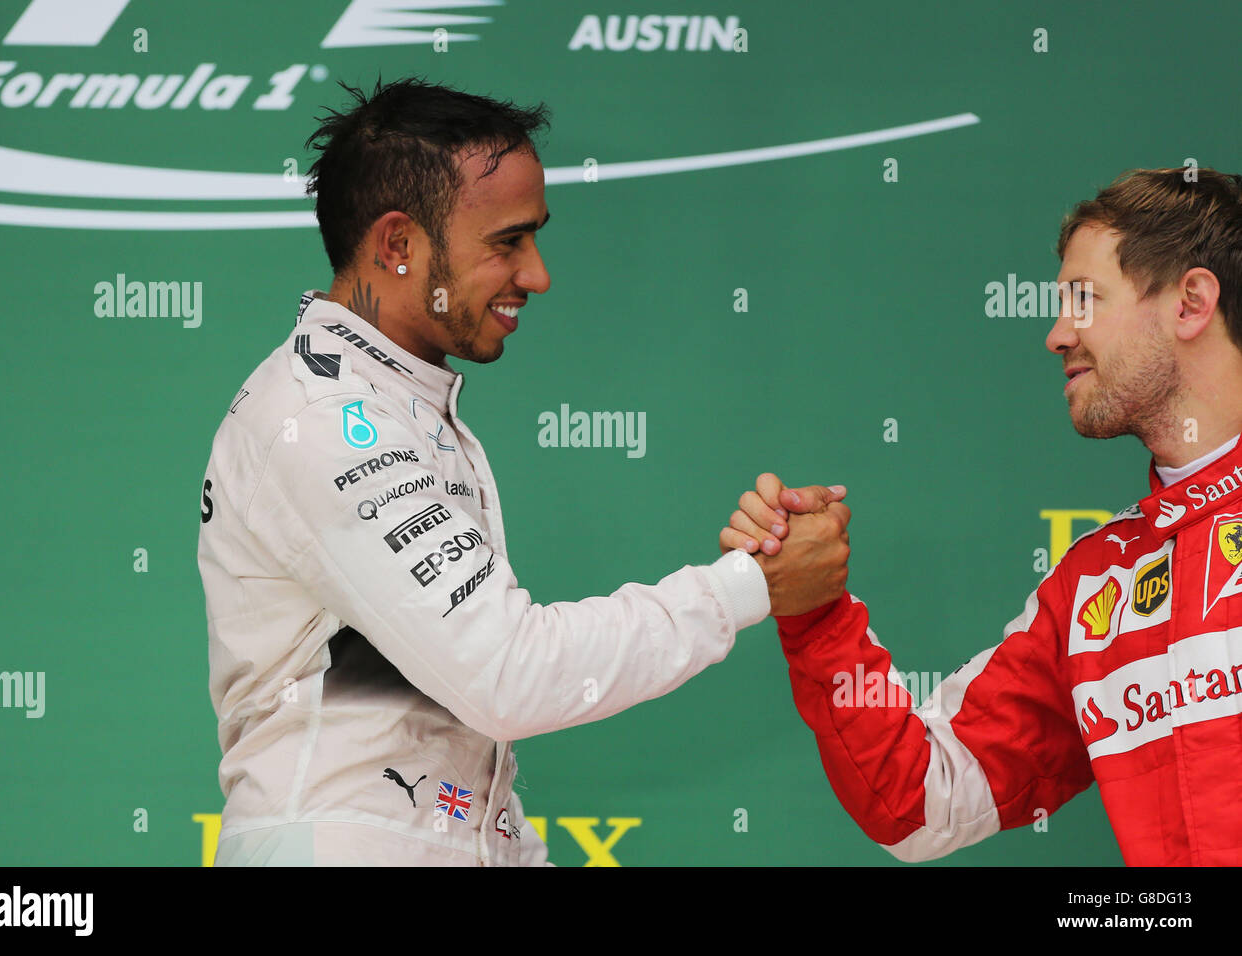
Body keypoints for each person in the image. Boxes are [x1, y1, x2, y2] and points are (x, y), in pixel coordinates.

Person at [196, 77, 844, 866]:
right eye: (507, 241)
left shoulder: (386, 402)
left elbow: (450, 740)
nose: (536, 275)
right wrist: (747, 585)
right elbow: (505, 673)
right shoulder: (330, 419)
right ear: (398, 246)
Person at [723, 167, 1242, 866]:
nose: (1058, 335)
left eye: (1084, 300)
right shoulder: (1097, 584)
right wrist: (817, 614)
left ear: (1191, 303)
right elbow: (919, 803)